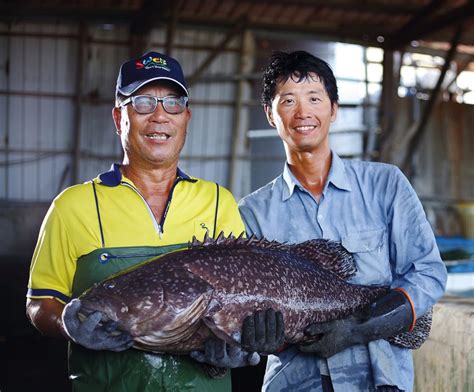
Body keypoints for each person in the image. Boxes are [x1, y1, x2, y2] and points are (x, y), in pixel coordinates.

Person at [26, 51, 260, 391]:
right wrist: (67, 324)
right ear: (119, 117)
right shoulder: (74, 206)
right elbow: (39, 304)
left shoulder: (217, 202)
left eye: (172, 103)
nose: (160, 116)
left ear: (186, 118)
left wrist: (240, 343)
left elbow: (247, 297)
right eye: (143, 102)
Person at [238, 50, 447, 392]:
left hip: (381, 383)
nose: (303, 112)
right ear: (270, 115)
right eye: (288, 100)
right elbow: (250, 311)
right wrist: (261, 337)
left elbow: (428, 273)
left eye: (315, 98)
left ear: (333, 109)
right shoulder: (252, 212)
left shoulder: (386, 184)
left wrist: (357, 327)